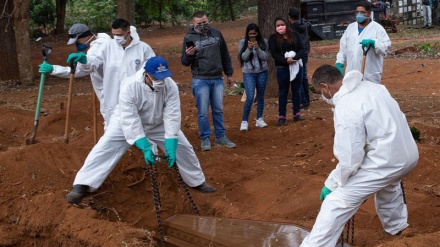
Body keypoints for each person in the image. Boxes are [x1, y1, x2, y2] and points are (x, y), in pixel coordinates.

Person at [65, 57, 216, 204]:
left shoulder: (170, 86)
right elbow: (130, 119)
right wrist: (144, 146)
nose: (161, 81)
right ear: (147, 74)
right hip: (124, 122)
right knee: (104, 147)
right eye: (157, 78)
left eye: (163, 77)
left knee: (184, 148)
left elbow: (172, 115)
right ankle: (82, 184)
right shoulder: (130, 86)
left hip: (158, 123)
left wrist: (170, 142)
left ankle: (196, 181)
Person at [300, 65, 419, 247]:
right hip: (406, 153)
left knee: (336, 201)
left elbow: (350, 158)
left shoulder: (347, 106)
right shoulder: (373, 87)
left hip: (387, 159)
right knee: (388, 185)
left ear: (324, 86)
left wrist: (333, 183)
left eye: (319, 92)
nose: (322, 97)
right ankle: (398, 228)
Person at [40, 19, 156, 129]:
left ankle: (144, 146)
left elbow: (82, 70)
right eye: (114, 35)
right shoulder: (107, 45)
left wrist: (54, 69)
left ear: (128, 33)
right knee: (113, 125)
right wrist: (85, 60)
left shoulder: (142, 48)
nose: (117, 38)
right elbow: (92, 63)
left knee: (140, 121)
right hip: (111, 92)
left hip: (135, 93)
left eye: (78, 41)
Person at [181, 11, 236, 151]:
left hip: (217, 78)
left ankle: (220, 137)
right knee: (203, 111)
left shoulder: (216, 33)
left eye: (204, 22)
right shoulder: (189, 37)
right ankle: (205, 138)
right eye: (199, 24)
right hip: (200, 79)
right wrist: (188, 55)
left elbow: (225, 54)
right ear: (194, 23)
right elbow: (185, 62)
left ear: (208, 20)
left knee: (218, 109)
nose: (202, 25)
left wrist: (229, 73)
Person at [38, 23, 111, 126]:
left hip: (109, 93)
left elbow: (89, 66)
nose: (76, 44)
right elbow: (81, 69)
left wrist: (85, 60)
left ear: (86, 36)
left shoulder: (97, 48)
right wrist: (53, 69)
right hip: (106, 89)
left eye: (77, 41)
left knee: (112, 125)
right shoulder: (103, 40)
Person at [336, 1, 391, 84]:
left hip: (369, 74)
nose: (359, 15)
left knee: (369, 95)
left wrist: (374, 43)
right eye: (357, 12)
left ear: (369, 14)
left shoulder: (377, 28)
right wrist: (339, 63)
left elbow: (386, 47)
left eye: (362, 12)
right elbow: (343, 48)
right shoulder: (351, 28)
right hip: (351, 72)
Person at [268, 17, 305, 126]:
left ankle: (297, 113)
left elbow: (302, 49)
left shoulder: (295, 35)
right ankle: (282, 116)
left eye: (282, 24)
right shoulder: (273, 38)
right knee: (283, 92)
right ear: (275, 27)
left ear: (286, 24)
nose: (280, 27)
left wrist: (295, 59)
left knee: (297, 90)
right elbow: (274, 54)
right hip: (282, 68)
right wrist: (285, 61)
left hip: (296, 66)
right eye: (278, 25)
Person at [237, 23, 269, 131]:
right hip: (248, 73)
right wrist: (249, 49)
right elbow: (243, 58)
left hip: (262, 72)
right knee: (250, 96)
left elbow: (265, 57)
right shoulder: (242, 42)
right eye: (250, 34)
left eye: (254, 33)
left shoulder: (263, 42)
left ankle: (259, 118)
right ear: (247, 34)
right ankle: (244, 121)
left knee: (260, 95)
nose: (252, 35)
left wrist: (258, 48)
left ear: (258, 33)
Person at [288, 7, 312, 110]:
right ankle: (307, 100)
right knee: (304, 77)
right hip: (305, 52)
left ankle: (303, 101)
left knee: (298, 77)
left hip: (298, 53)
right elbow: (309, 25)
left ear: (290, 17)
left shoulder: (292, 27)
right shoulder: (304, 25)